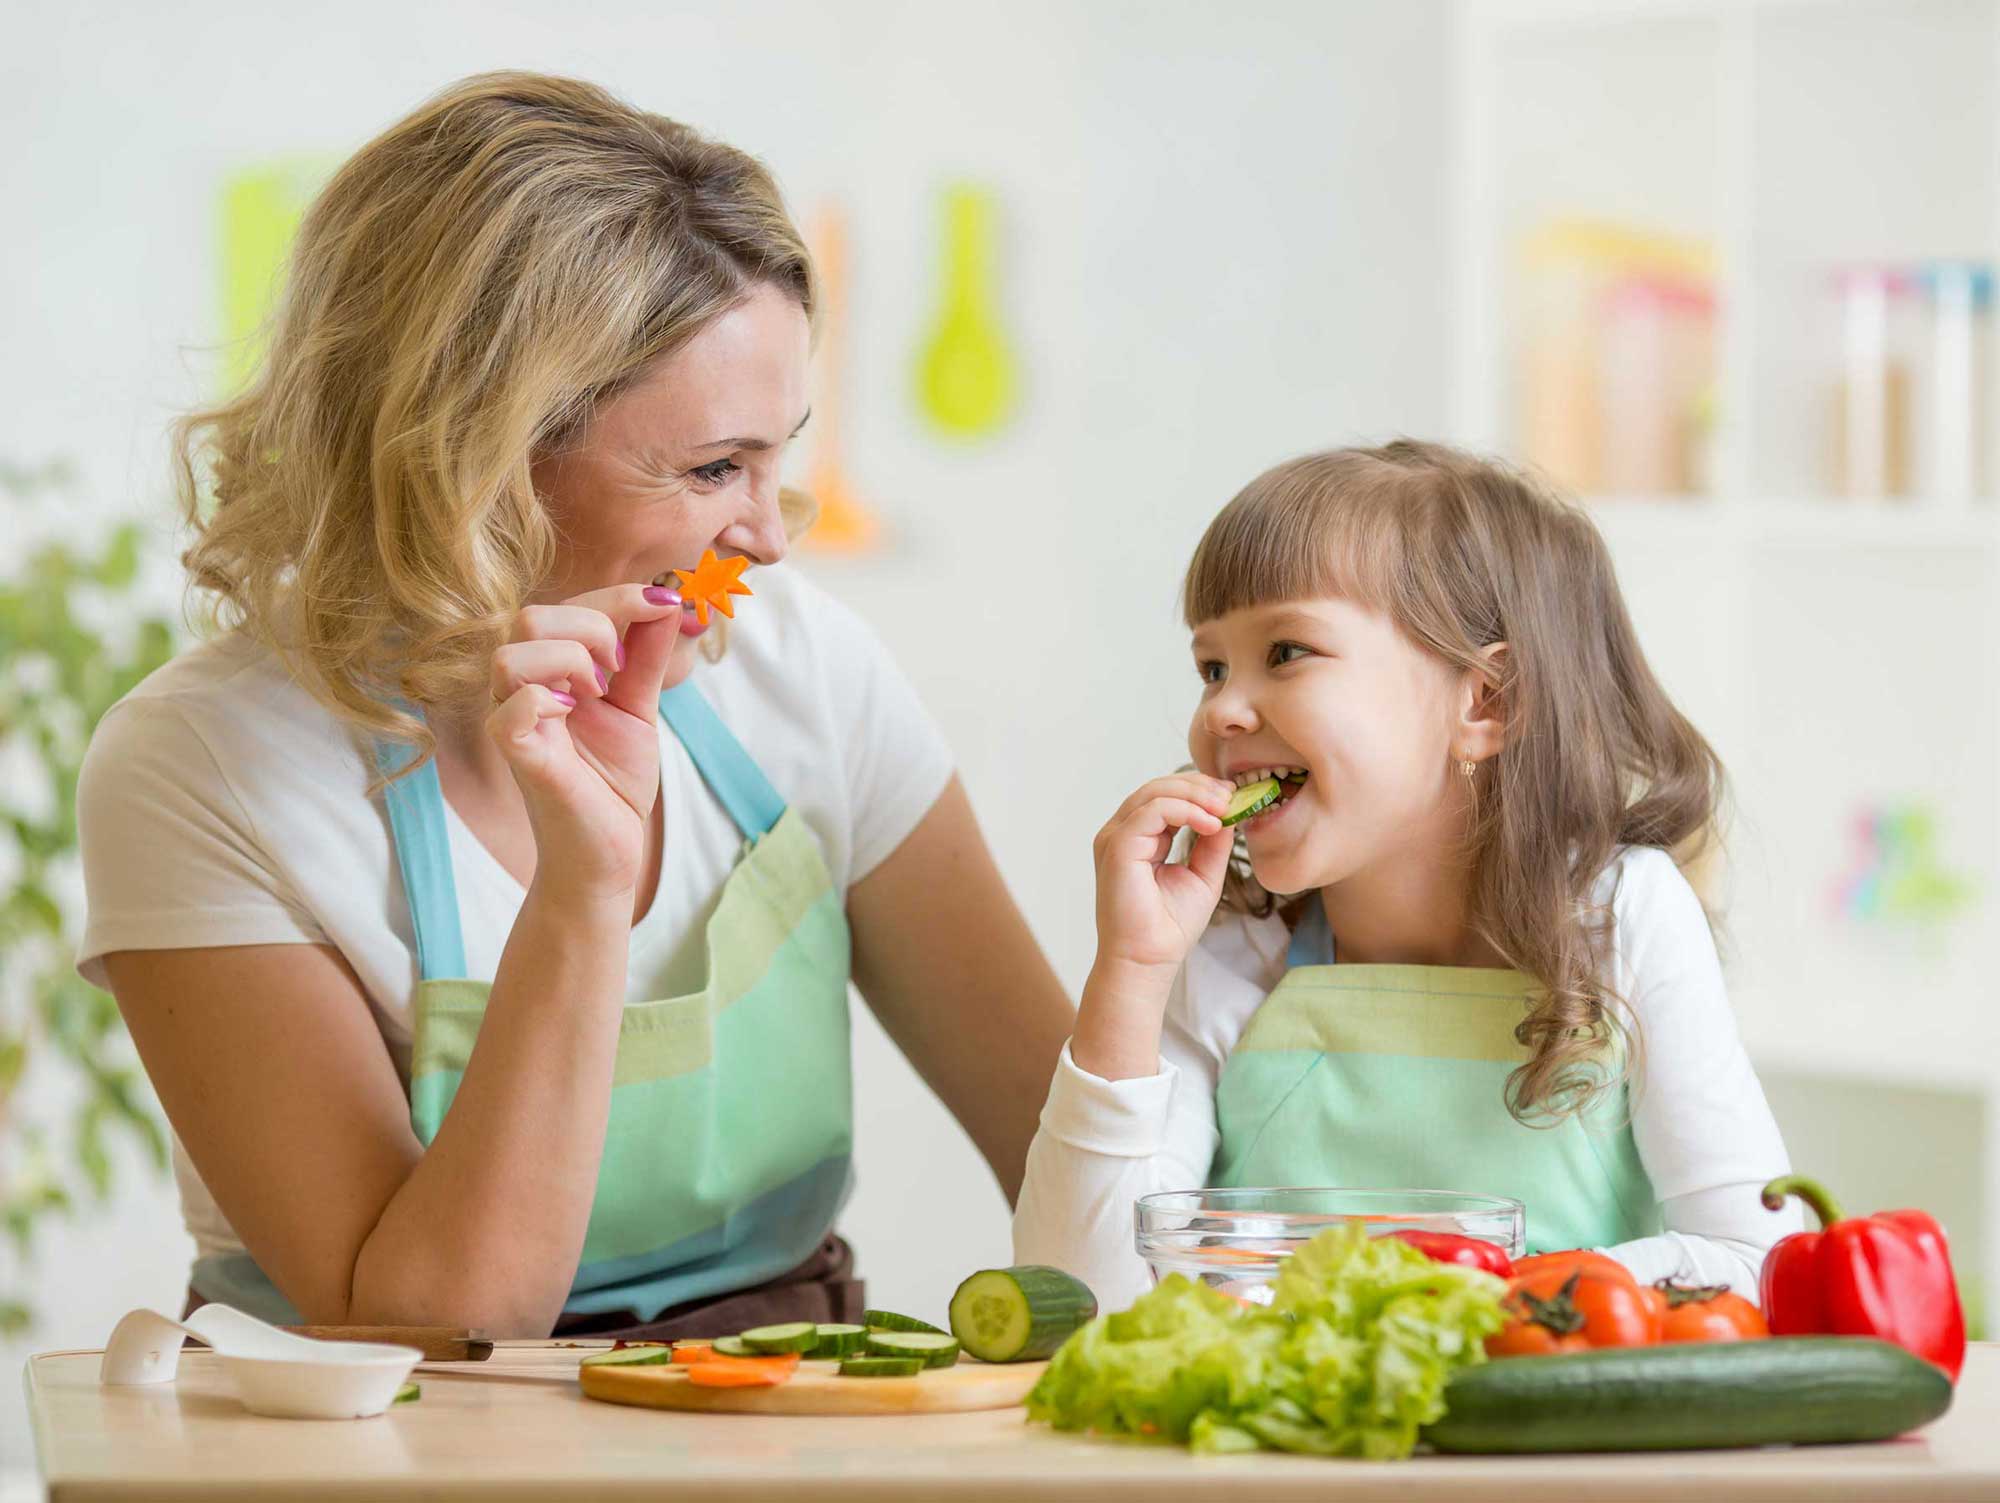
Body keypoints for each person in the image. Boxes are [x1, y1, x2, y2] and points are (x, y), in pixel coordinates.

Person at [77, 71, 1071, 1339]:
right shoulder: (202, 765)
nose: (768, 539)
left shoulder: (803, 669)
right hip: (391, 1433)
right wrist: (580, 893)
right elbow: (428, 1325)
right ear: (473, 457)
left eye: (780, 457)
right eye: (715, 469)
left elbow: (1067, 1158)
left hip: (766, 1404)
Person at [1013, 440, 1802, 1310]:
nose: (1221, 712)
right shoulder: (1233, 953)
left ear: (1485, 703)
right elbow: (1079, 1292)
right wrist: (1130, 972)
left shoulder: (1624, 916)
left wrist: (1485, 1295)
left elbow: (1757, 1259)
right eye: (1212, 666)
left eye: (1285, 651)